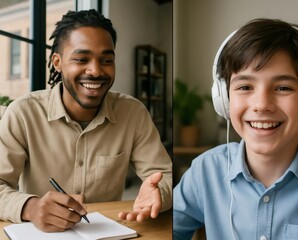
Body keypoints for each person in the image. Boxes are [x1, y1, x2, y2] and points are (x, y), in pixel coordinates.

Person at [173, 18, 298, 240]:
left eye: (283, 87)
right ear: (224, 99)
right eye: (245, 87)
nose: (262, 105)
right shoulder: (206, 171)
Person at [0, 9, 172, 232]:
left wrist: (160, 192)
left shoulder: (133, 113)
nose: (96, 71)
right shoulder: (23, 113)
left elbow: (164, 176)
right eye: (81, 59)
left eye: (107, 60)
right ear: (57, 62)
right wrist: (30, 207)